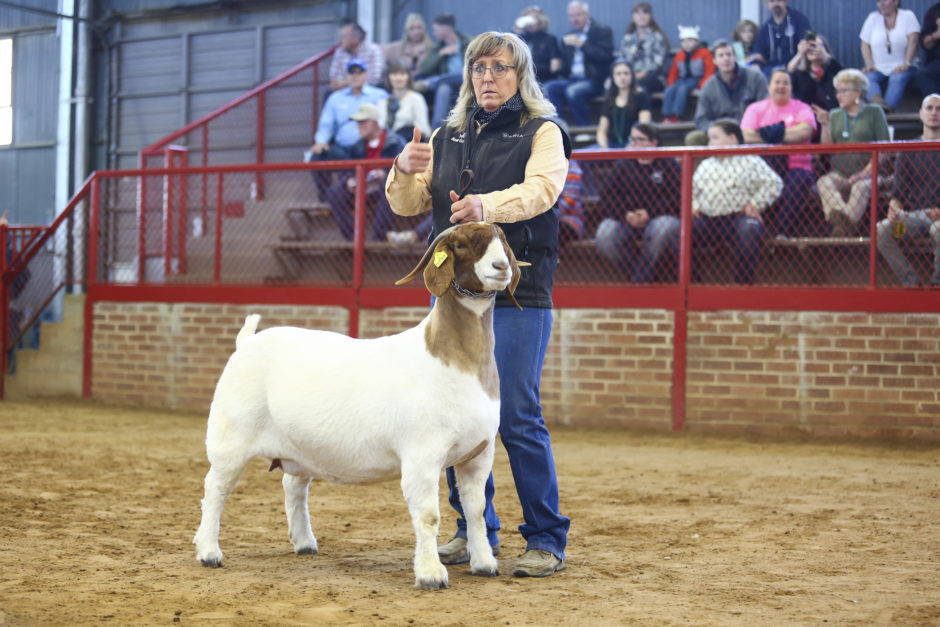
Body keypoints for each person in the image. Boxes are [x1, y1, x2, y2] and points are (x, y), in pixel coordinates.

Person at [385, 31, 571, 578]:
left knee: (514, 413)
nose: (488, 77)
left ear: (521, 76)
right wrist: (401, 166)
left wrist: (485, 205)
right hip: (458, 299)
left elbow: (543, 191)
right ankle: (472, 532)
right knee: (450, 415)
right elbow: (408, 204)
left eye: (501, 68)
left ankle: (544, 538)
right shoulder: (446, 135)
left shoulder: (543, 131)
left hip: (518, 293)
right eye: (479, 68)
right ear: (468, 77)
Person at [692, 120, 783, 284]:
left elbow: (774, 183)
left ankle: (742, 286)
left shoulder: (750, 160)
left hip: (738, 217)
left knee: (749, 230)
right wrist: (695, 206)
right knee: (680, 231)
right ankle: (694, 283)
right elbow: (691, 191)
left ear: (732, 138)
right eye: (709, 139)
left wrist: (755, 204)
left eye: (714, 138)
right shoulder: (706, 164)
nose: (709, 143)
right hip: (707, 219)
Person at [595, 122, 680, 282]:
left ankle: (639, 281)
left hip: (659, 217)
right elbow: (606, 197)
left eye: (639, 139)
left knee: (663, 228)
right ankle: (643, 276)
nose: (634, 143)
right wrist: (625, 215)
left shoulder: (668, 163)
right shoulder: (623, 164)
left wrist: (650, 213)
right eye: (632, 139)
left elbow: (676, 197)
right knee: (604, 236)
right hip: (627, 219)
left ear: (654, 142)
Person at [813, 69, 890, 236]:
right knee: (824, 182)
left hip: (870, 175)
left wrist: (864, 174)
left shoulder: (874, 111)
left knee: (860, 187)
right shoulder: (834, 114)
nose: (838, 96)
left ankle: (842, 227)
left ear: (858, 92)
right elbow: (826, 150)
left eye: (843, 91)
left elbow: (884, 148)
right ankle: (845, 223)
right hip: (840, 173)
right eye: (837, 91)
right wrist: (825, 125)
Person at [741, 69, 817, 237]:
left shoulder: (802, 108)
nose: (781, 86)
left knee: (792, 187)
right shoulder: (755, 108)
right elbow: (746, 136)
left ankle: (781, 235)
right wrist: (786, 134)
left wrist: (768, 134)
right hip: (763, 167)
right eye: (777, 82)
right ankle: (757, 232)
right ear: (769, 87)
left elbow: (804, 132)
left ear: (791, 87)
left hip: (798, 166)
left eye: (786, 83)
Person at [876, 93, 940, 287]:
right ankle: (912, 284)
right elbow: (898, 194)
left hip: (939, 221)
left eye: (938, 109)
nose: (934, 113)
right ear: (920, 114)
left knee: (938, 229)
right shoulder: (909, 149)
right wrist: (894, 209)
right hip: (915, 220)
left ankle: (937, 284)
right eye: (929, 108)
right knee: (883, 230)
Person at [308, 59, 389, 201]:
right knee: (316, 157)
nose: (355, 76)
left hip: (368, 147)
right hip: (342, 149)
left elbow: (386, 121)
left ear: (366, 75)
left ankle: (357, 191)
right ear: (346, 76)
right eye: (351, 73)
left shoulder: (380, 95)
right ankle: (326, 199)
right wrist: (321, 142)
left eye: (359, 72)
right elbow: (326, 125)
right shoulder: (335, 98)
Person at [325, 103, 406, 241]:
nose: (359, 126)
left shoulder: (395, 142)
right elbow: (349, 170)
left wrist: (386, 174)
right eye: (358, 123)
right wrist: (349, 179)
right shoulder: (356, 146)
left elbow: (405, 169)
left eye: (363, 122)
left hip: (386, 188)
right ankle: (352, 238)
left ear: (375, 123)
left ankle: (379, 237)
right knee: (334, 192)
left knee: (389, 187)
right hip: (363, 187)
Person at [544, 1, 614, 125]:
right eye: (571, 16)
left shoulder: (602, 31)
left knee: (572, 91)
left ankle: (584, 128)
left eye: (577, 15)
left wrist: (582, 45)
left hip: (594, 80)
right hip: (573, 79)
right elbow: (566, 68)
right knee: (549, 87)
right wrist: (558, 63)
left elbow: (605, 57)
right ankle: (558, 127)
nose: (574, 19)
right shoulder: (568, 36)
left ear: (587, 14)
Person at [694, 39, 768, 131]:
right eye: (721, 55)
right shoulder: (708, 87)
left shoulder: (756, 77)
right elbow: (701, 120)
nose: (726, 58)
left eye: (729, 54)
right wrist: (720, 130)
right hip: (722, 135)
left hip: (752, 130)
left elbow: (767, 108)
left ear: (735, 57)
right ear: (714, 60)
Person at [860, 0, 921, 111]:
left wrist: (907, 63)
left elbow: (914, 41)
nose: (881, 4)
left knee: (898, 77)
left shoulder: (908, 16)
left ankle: (887, 111)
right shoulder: (872, 18)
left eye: (884, 0)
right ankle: (878, 104)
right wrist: (869, 64)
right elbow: (864, 44)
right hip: (878, 68)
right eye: (878, 1)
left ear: (896, 2)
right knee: (867, 77)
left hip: (903, 66)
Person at [416, 14, 473, 129]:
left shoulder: (469, 42)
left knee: (465, 73)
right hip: (452, 84)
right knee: (443, 87)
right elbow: (424, 68)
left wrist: (457, 50)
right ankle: (437, 130)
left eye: (435, 30)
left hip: (471, 79)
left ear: (445, 29)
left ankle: (430, 83)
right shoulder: (438, 48)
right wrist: (441, 54)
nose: (433, 33)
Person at [661, 25, 715, 123]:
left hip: (696, 79)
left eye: (690, 40)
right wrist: (671, 83)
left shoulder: (705, 53)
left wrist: (702, 85)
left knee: (682, 89)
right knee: (670, 90)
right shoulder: (679, 55)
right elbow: (674, 72)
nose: (686, 44)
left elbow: (709, 71)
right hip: (682, 79)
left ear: (697, 41)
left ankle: (676, 114)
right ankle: (666, 114)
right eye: (683, 41)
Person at [595, 59, 651, 148]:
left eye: (626, 73)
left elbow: (643, 128)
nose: (622, 77)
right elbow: (601, 131)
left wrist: (627, 150)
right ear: (613, 77)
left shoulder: (641, 96)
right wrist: (604, 148)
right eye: (618, 74)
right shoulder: (609, 98)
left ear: (632, 75)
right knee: (577, 157)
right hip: (610, 145)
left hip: (634, 145)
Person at [750, 0, 813, 78]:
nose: (776, 4)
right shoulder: (765, 28)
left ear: (786, 1)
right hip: (771, 73)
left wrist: (794, 63)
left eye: (779, 0)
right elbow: (758, 54)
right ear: (766, 4)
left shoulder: (799, 20)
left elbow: (807, 44)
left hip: (796, 71)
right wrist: (756, 66)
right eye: (772, 1)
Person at [619, 2, 670, 95]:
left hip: (654, 78)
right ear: (633, 17)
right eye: (637, 13)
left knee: (638, 85)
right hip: (629, 76)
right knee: (615, 84)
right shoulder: (627, 38)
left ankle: (644, 109)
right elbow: (622, 60)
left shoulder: (657, 37)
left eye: (645, 13)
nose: (641, 16)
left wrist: (642, 74)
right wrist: (627, 75)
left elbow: (658, 63)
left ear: (650, 16)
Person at [788, 33, 842, 114]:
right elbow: (788, 74)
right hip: (806, 117)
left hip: (832, 115)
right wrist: (799, 54)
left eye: (816, 45)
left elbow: (843, 74)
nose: (813, 49)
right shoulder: (801, 73)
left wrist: (824, 54)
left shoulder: (833, 68)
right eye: (810, 46)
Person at [328, 19, 385, 90]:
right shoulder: (340, 52)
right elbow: (334, 78)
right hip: (344, 91)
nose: (340, 40)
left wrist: (347, 83)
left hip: (369, 90)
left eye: (343, 37)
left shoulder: (373, 50)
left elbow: (374, 79)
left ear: (355, 38)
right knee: (328, 93)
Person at [384, 61, 431, 143]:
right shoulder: (383, 101)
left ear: (408, 77)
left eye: (402, 74)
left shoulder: (416, 98)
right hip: (387, 145)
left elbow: (423, 128)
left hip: (409, 142)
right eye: (394, 74)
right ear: (389, 78)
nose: (398, 78)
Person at [513, 6, 563, 84]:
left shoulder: (549, 39)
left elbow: (554, 68)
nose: (530, 22)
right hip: (522, 80)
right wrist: (516, 33)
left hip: (543, 80)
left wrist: (529, 68)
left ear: (540, 21)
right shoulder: (521, 39)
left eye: (534, 18)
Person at [916, 3, 940, 97]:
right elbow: (925, 44)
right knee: (923, 74)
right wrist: (936, 35)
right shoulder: (934, 12)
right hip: (937, 62)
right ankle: (936, 105)